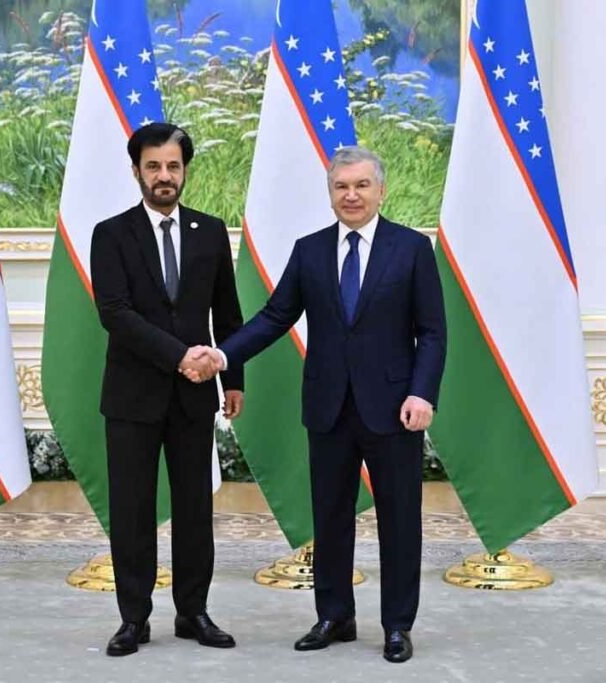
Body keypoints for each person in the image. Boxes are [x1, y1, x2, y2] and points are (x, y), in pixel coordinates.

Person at [188, 146, 446, 663]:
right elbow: (273, 317)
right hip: (328, 407)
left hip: (395, 408)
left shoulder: (412, 249)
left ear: (381, 190)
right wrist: (223, 355)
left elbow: (433, 332)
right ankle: (334, 615)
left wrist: (422, 392)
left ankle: (397, 625)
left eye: (361, 185)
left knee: (400, 520)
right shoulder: (309, 251)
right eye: (341, 187)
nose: (351, 195)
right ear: (330, 194)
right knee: (329, 517)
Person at [89, 122, 244, 657]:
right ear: (136, 170)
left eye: (173, 166)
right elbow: (115, 313)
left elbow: (227, 312)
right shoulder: (111, 234)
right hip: (132, 397)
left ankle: (193, 612)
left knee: (195, 510)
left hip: (195, 396)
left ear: (185, 170)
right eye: (153, 166)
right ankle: (133, 618)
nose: (164, 176)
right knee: (133, 511)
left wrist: (233, 379)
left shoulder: (210, 231)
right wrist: (181, 356)